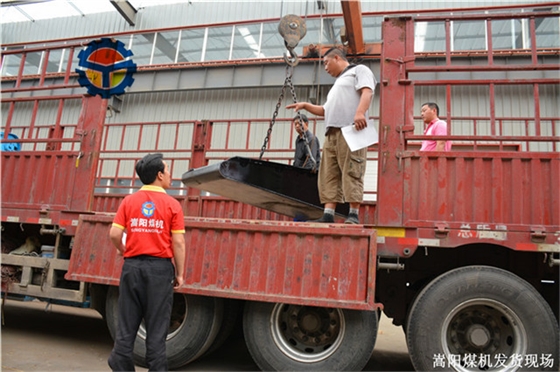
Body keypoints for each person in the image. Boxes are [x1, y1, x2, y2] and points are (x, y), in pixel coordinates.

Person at [108, 153, 186, 372]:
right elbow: (178, 242)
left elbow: (114, 233)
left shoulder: (128, 201)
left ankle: (120, 362)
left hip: (131, 268)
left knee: (127, 325)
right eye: (168, 169)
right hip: (159, 271)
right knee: (157, 328)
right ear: (159, 175)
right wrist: (179, 273)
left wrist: (123, 250)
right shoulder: (172, 205)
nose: (171, 174)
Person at [286, 47, 376, 224]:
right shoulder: (338, 84)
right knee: (329, 173)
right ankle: (328, 213)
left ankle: (353, 214)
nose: (325, 68)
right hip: (332, 133)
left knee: (353, 170)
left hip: (351, 129)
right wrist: (305, 105)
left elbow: (368, 91)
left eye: (326, 63)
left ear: (337, 57)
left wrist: (360, 112)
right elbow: (325, 110)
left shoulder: (359, 70)